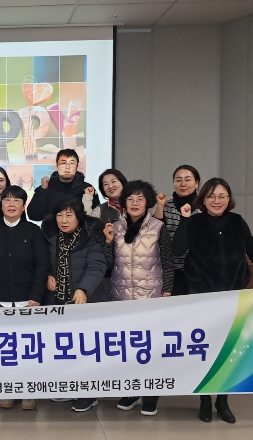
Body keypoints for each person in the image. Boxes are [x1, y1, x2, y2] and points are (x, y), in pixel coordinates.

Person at [172, 177, 252, 424]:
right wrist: (185, 219)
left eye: (222, 196)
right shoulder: (194, 221)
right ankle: (205, 400)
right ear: (203, 199)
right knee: (205, 351)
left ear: (229, 199)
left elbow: (251, 250)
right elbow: (177, 249)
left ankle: (223, 401)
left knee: (228, 351)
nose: (217, 201)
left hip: (233, 297)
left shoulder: (237, 221)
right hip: (202, 296)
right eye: (211, 196)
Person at [0, 185, 49, 411]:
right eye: (7, 200)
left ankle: (28, 392)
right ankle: (7, 389)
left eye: (16, 201)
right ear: (1, 204)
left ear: (24, 206)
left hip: (28, 300)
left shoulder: (33, 231)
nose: (11, 204)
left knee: (27, 350)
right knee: (4, 349)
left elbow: (42, 265)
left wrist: (36, 295)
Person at [104, 180, 174, 417]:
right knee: (127, 349)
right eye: (130, 199)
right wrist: (107, 242)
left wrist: (167, 292)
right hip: (121, 297)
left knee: (150, 349)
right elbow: (109, 265)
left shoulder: (158, 227)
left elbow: (168, 262)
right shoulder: (116, 227)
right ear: (124, 203)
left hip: (151, 298)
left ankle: (151, 396)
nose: (134, 203)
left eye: (140, 199)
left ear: (148, 203)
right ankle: (131, 391)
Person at [43, 198, 106, 413]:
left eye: (69, 215)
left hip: (86, 303)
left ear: (79, 217)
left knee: (86, 350)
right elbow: (44, 263)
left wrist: (84, 289)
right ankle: (70, 387)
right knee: (67, 349)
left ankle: (89, 393)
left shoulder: (91, 239)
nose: (64, 220)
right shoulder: (52, 239)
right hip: (60, 303)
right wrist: (48, 276)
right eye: (60, 215)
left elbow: (97, 266)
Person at [27, 149, 99, 238]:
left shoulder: (87, 189)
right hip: (50, 239)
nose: (67, 167)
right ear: (57, 165)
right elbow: (34, 216)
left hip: (81, 240)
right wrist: (42, 190)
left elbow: (96, 219)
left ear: (77, 166)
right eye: (63, 163)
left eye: (71, 163)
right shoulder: (46, 187)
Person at [82, 169, 128, 302]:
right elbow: (87, 224)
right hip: (111, 266)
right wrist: (88, 198)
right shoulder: (101, 209)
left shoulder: (135, 204)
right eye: (105, 184)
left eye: (113, 182)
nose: (110, 186)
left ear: (122, 182)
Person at [154, 165, 201, 295]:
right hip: (170, 271)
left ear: (196, 183)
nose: (183, 184)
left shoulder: (203, 207)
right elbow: (155, 231)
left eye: (188, 179)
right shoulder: (166, 205)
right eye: (178, 180)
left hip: (198, 270)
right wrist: (160, 206)